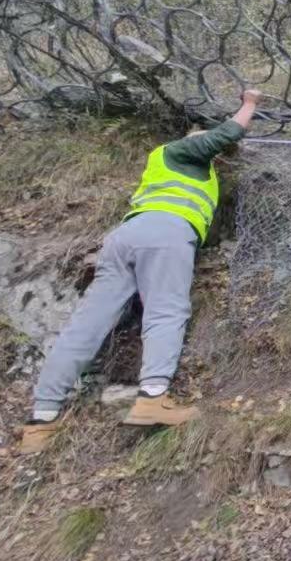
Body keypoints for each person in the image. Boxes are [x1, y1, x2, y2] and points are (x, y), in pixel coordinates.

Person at [18, 90, 262, 452]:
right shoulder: (178, 150)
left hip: (127, 238)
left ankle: (41, 420)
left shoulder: (185, 172)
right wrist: (250, 104)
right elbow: (226, 133)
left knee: (86, 326)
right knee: (166, 312)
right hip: (164, 233)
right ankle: (153, 398)